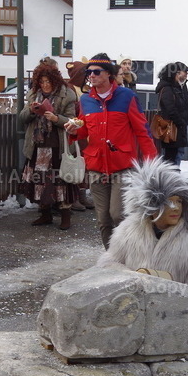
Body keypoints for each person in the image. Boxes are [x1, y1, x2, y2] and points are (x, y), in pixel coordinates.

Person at [65, 53, 157, 249]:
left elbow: (143, 132)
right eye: (89, 72)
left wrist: (152, 164)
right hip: (96, 166)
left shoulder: (127, 97)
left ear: (109, 74)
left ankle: (130, 251)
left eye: (96, 72)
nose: (91, 76)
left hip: (122, 166)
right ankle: (112, 258)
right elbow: (83, 128)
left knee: (118, 214)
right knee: (103, 219)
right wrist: (74, 131)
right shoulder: (86, 100)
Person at [97, 158, 188, 293]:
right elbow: (107, 264)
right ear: (152, 205)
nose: (176, 208)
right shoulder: (128, 230)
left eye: (179, 201)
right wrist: (135, 278)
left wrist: (171, 293)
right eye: (169, 202)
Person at [18, 61, 79, 230]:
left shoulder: (67, 94)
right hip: (37, 146)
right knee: (40, 182)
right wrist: (31, 110)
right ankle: (45, 215)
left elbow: (72, 121)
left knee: (61, 182)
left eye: (48, 82)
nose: (45, 85)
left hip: (57, 147)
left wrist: (56, 118)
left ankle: (65, 217)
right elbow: (22, 119)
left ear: (55, 81)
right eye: (42, 82)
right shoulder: (32, 94)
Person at [155, 62, 188, 165]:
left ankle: (173, 177)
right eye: (185, 72)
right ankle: (171, 179)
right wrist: (180, 122)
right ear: (177, 73)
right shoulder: (167, 88)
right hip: (171, 129)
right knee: (171, 158)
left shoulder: (181, 87)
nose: (186, 74)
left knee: (177, 155)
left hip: (179, 128)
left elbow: (187, 105)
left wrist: (187, 116)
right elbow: (170, 109)